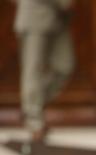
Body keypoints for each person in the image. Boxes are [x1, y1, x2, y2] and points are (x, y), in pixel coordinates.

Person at [13, 0, 75, 142]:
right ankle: (34, 121)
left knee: (64, 67)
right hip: (34, 17)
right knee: (33, 71)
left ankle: (31, 107)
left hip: (59, 19)